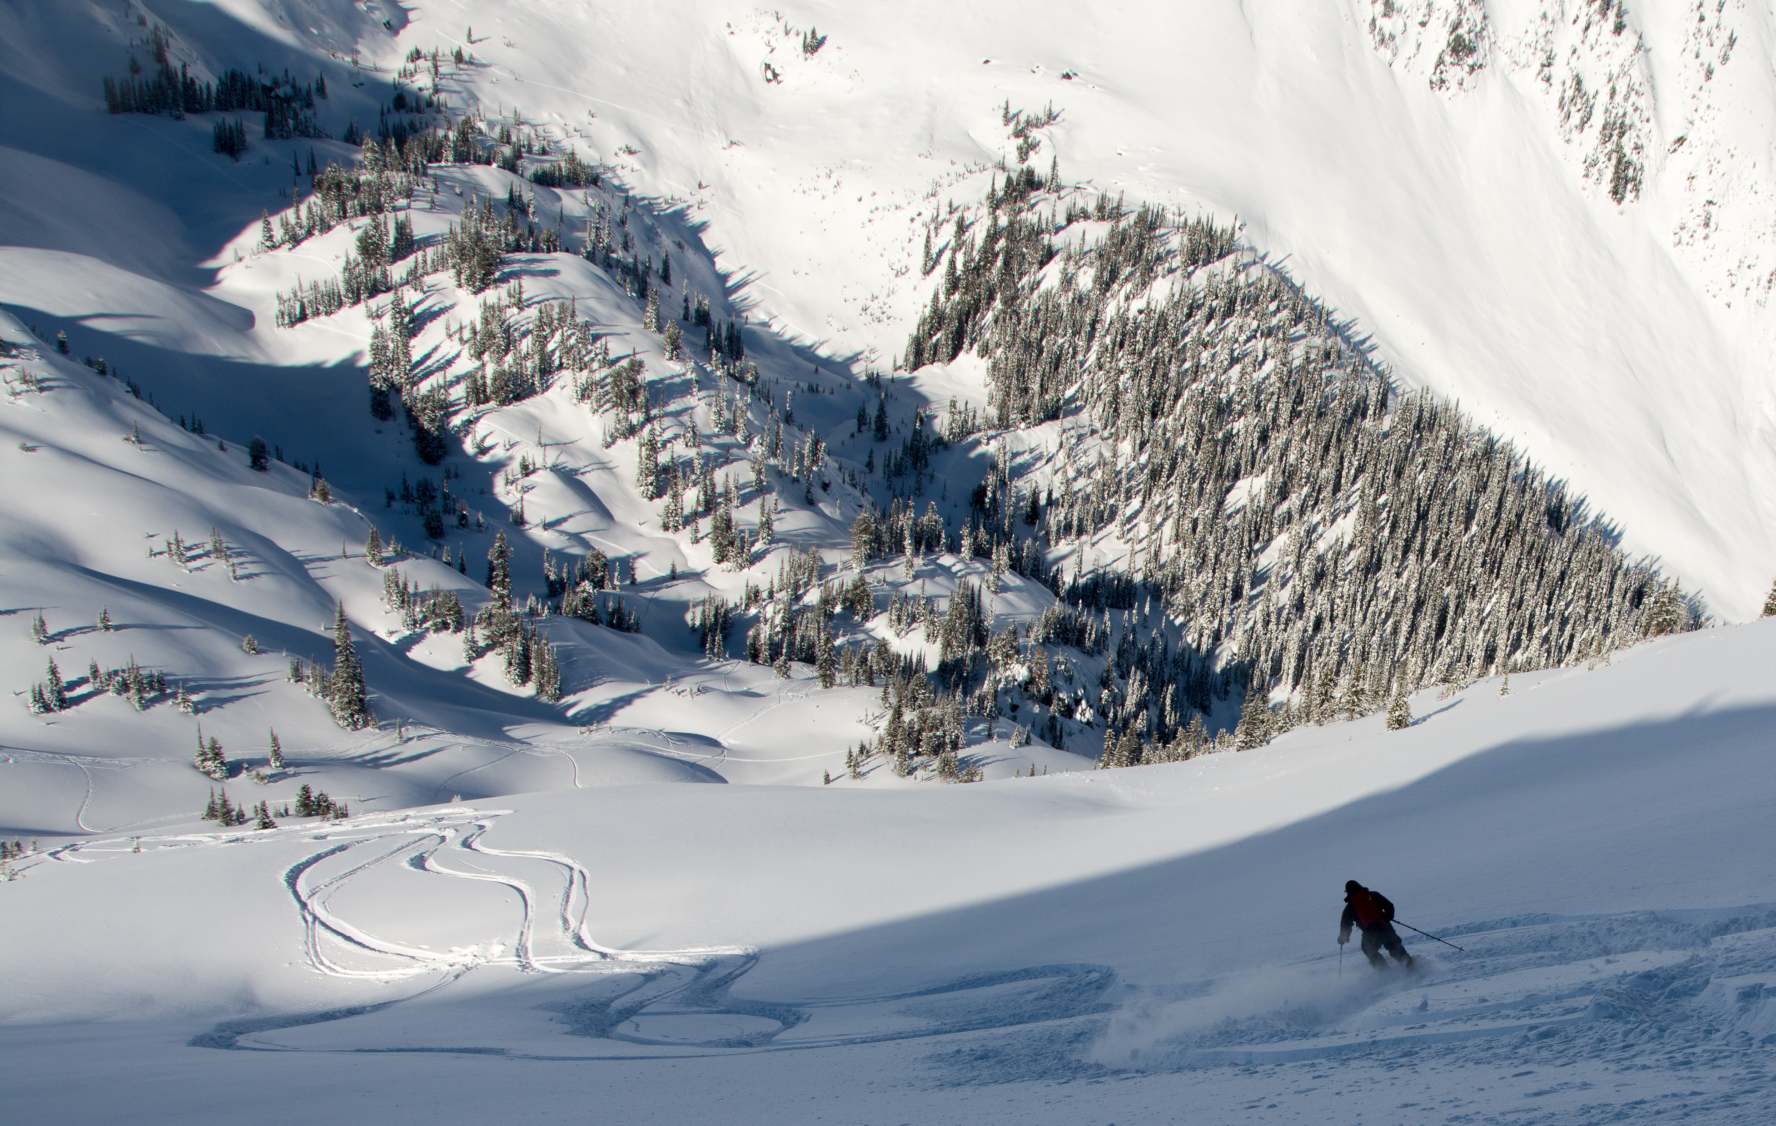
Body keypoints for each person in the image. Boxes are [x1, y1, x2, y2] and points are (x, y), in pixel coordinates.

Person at [1339, 879, 1414, 970]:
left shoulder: (1350, 907)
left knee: (1369, 950)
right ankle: (1410, 966)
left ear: (1348, 891)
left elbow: (1345, 925)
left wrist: (1343, 938)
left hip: (1370, 933)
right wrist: (1387, 917)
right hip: (1385, 927)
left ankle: (1383, 970)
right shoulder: (1373, 895)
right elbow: (1389, 906)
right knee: (1394, 946)